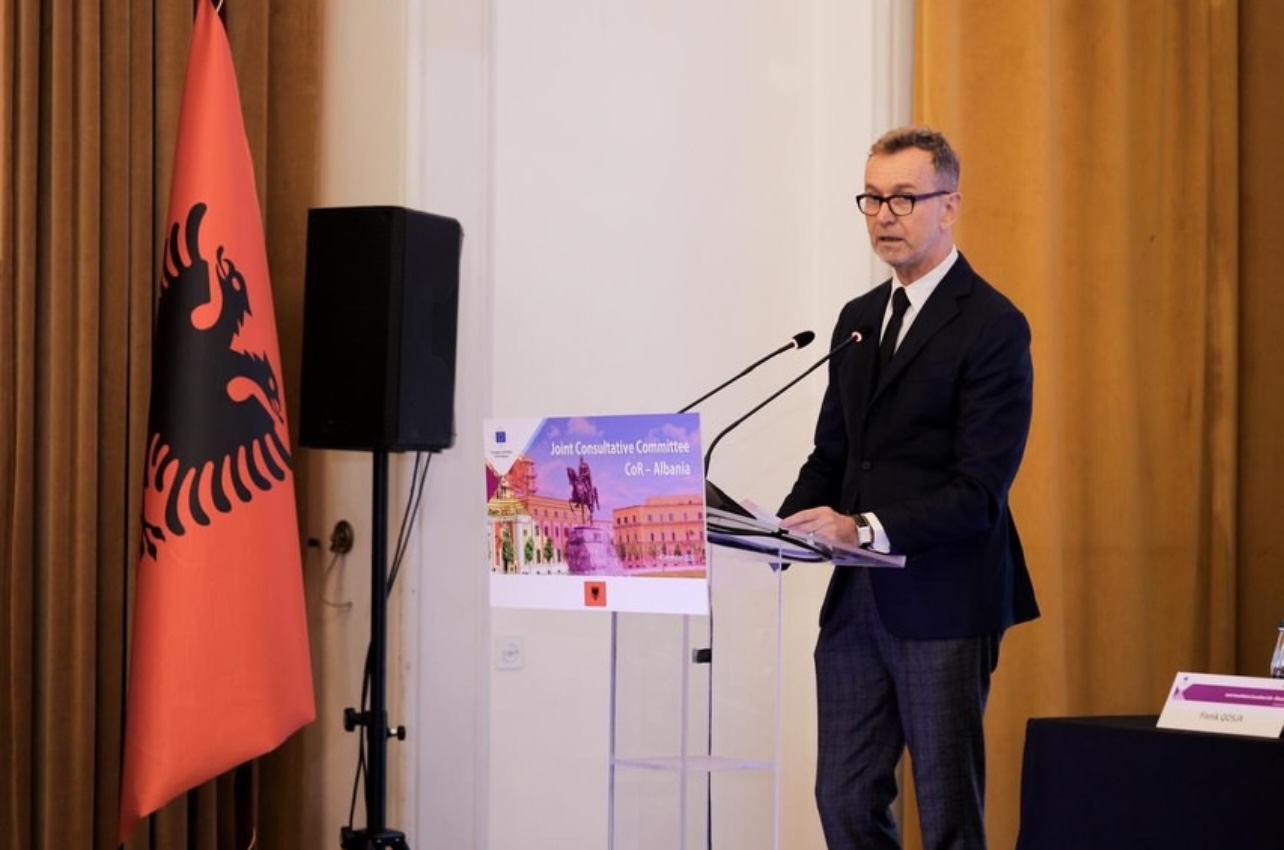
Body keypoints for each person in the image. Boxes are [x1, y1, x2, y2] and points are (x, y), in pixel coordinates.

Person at [779, 125, 1039, 850]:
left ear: (949, 206)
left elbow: (979, 490)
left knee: (946, 808)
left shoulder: (993, 325)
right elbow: (835, 455)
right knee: (843, 797)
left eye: (903, 198)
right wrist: (781, 526)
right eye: (872, 198)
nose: (884, 215)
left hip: (945, 596)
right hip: (857, 601)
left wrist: (862, 527)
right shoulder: (859, 320)